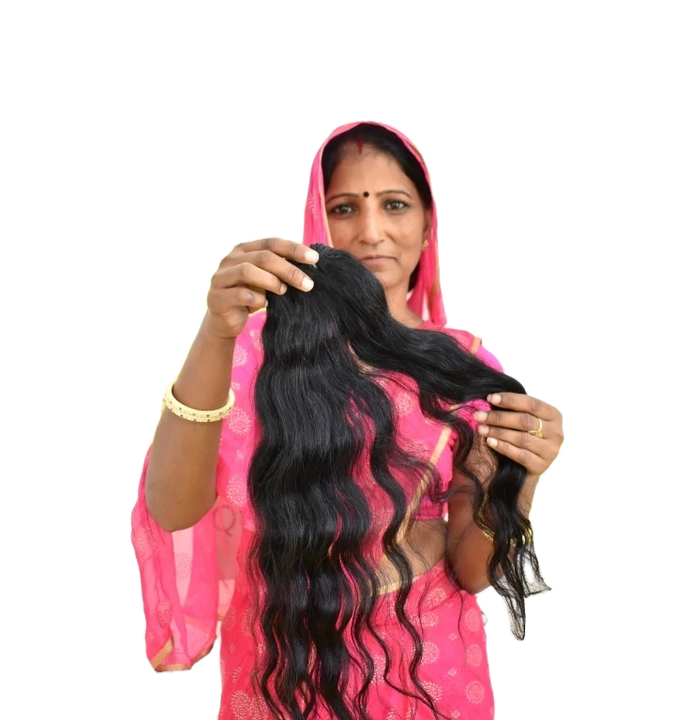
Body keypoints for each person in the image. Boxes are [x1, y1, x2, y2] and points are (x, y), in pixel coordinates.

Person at [131, 121, 564, 719]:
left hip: (430, 678)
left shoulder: (463, 367)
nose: (371, 231)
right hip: (281, 675)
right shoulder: (254, 352)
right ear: (317, 223)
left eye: (395, 205)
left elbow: (470, 570)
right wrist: (215, 330)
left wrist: (522, 478)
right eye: (344, 208)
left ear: (428, 225)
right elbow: (173, 510)